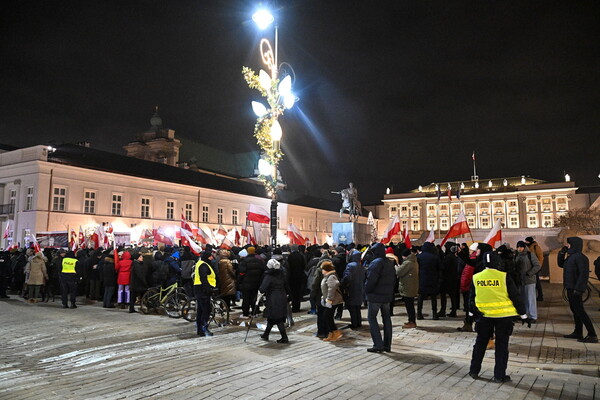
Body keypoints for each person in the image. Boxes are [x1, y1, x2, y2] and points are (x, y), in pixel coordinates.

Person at [468, 251, 530, 383]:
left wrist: (471, 313)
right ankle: (499, 375)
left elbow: (471, 298)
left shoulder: (476, 277)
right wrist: (523, 314)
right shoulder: (504, 276)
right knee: (502, 346)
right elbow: (515, 296)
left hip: (484, 316)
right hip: (504, 317)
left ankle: (474, 371)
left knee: (480, 344)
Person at [557, 237, 598, 343]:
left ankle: (592, 334)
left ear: (574, 245)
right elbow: (561, 264)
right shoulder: (571, 257)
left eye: (569, 244)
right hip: (570, 287)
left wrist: (579, 289)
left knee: (580, 311)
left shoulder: (580, 258)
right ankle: (578, 332)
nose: (567, 246)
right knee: (575, 310)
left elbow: (583, 275)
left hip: (575, 288)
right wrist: (562, 253)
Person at [364, 243, 395, 352]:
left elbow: (371, 280)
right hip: (386, 296)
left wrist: (366, 290)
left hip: (375, 296)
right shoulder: (389, 262)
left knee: (372, 319)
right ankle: (387, 345)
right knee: (386, 319)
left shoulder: (375, 263)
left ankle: (378, 344)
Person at [258, 258, 290, 343]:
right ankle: (266, 334)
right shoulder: (282, 274)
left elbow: (263, 288)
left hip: (273, 298)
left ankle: (284, 337)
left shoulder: (269, 276)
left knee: (276, 318)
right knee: (272, 317)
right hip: (282, 296)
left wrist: (261, 290)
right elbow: (286, 286)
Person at [515, 241, 541, 322]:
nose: (519, 248)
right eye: (518, 247)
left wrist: (529, 273)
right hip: (520, 280)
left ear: (524, 247)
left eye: (521, 247)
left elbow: (537, 265)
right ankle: (525, 315)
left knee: (531, 299)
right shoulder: (516, 255)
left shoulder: (530, 255)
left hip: (529, 280)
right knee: (523, 299)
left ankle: (533, 316)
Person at [194, 251, 217, 337]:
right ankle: (204, 329)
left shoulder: (199, 263)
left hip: (198, 288)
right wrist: (208, 289)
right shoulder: (204, 265)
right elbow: (203, 278)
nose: (212, 258)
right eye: (210, 256)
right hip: (203, 290)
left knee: (200, 310)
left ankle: (200, 329)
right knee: (205, 311)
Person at [238, 246, 266, 318]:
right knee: (254, 298)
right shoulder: (260, 260)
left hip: (246, 282)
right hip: (256, 282)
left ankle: (245, 313)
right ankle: (254, 312)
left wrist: (239, 280)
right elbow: (263, 271)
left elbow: (241, 272)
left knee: (246, 298)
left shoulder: (245, 260)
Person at [417, 242, 442, 320]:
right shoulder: (435, 257)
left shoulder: (419, 257)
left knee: (420, 297)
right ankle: (434, 314)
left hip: (422, 279)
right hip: (433, 279)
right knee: (433, 298)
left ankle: (419, 314)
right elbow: (440, 268)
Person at [341, 249, 365, 329]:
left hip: (351, 289)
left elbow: (347, 277)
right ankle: (358, 322)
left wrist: (343, 284)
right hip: (359, 288)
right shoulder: (361, 265)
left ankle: (354, 323)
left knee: (352, 307)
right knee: (357, 307)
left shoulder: (350, 265)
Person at [320, 260, 344, 342]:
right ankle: (331, 333)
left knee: (327, 316)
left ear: (326, 269)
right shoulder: (328, 276)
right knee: (328, 316)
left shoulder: (331, 277)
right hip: (330, 300)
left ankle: (336, 332)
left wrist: (329, 299)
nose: (322, 271)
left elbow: (332, 289)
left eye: (323, 269)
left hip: (333, 300)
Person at [396, 248, 419, 329]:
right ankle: (411, 320)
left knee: (409, 306)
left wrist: (396, 267)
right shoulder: (414, 261)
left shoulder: (408, 263)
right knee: (410, 305)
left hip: (408, 287)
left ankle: (412, 321)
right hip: (411, 286)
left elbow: (399, 272)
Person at [287, 244, 307, 312]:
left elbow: (288, 267)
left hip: (292, 277)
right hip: (300, 276)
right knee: (298, 293)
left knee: (293, 292)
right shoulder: (301, 256)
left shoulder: (290, 256)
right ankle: (297, 307)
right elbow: (304, 266)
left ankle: (294, 306)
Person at [524, 236, 544, 301]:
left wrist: (539, 266)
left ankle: (540, 295)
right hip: (529, 267)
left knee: (537, 282)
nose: (525, 242)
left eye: (526, 241)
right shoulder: (527, 247)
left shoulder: (536, 247)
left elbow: (540, 257)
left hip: (535, 267)